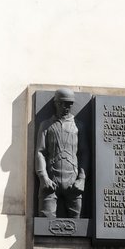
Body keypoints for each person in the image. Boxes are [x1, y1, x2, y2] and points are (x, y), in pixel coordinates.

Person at [35, 88, 86, 218]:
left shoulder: (78, 126)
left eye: (69, 103)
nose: (66, 107)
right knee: (45, 225)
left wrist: (82, 179)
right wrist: (43, 177)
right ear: (55, 103)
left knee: (77, 228)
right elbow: (40, 152)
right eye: (62, 103)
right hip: (51, 181)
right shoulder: (46, 125)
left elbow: (84, 153)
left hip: (73, 183)